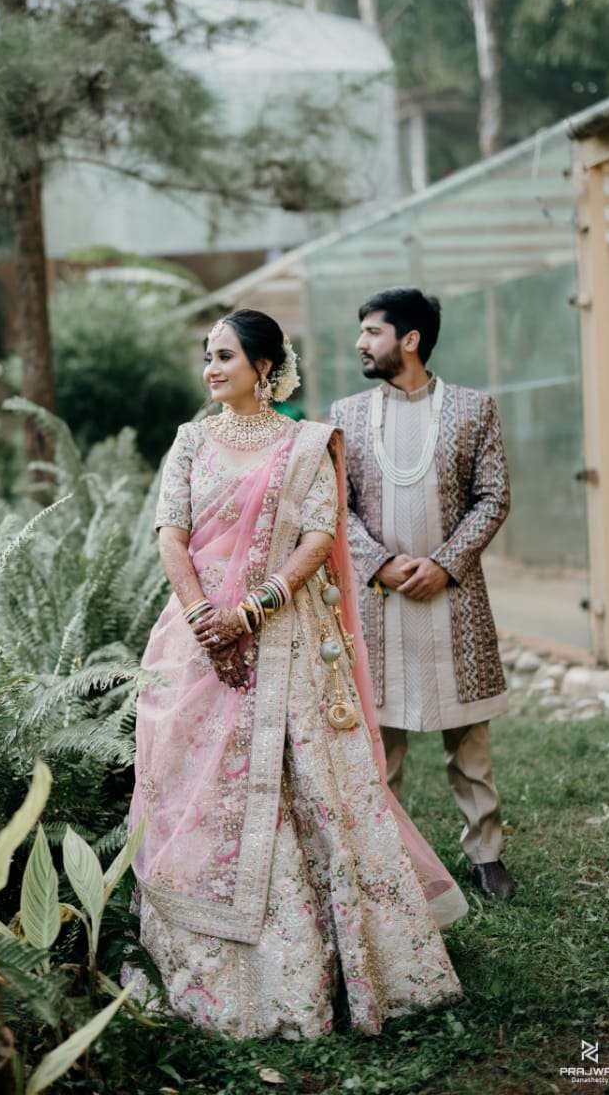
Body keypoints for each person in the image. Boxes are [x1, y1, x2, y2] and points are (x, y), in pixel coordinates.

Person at [125, 309, 467, 1041]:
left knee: (306, 779)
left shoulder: (305, 444)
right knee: (194, 782)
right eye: (207, 356)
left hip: (284, 634)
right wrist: (203, 616)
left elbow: (318, 537)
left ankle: (324, 959)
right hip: (195, 634)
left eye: (224, 356)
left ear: (262, 366)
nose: (210, 368)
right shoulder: (190, 441)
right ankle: (212, 954)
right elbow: (170, 535)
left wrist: (251, 610)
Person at [329, 288, 516, 902]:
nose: (361, 342)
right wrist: (379, 564)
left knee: (468, 737)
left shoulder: (473, 409)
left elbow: (493, 497)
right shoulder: (346, 415)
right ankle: (387, 859)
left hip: (453, 599)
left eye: (372, 332)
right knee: (380, 737)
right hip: (378, 602)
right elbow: (337, 506)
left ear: (409, 340)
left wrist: (446, 565)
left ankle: (486, 854)